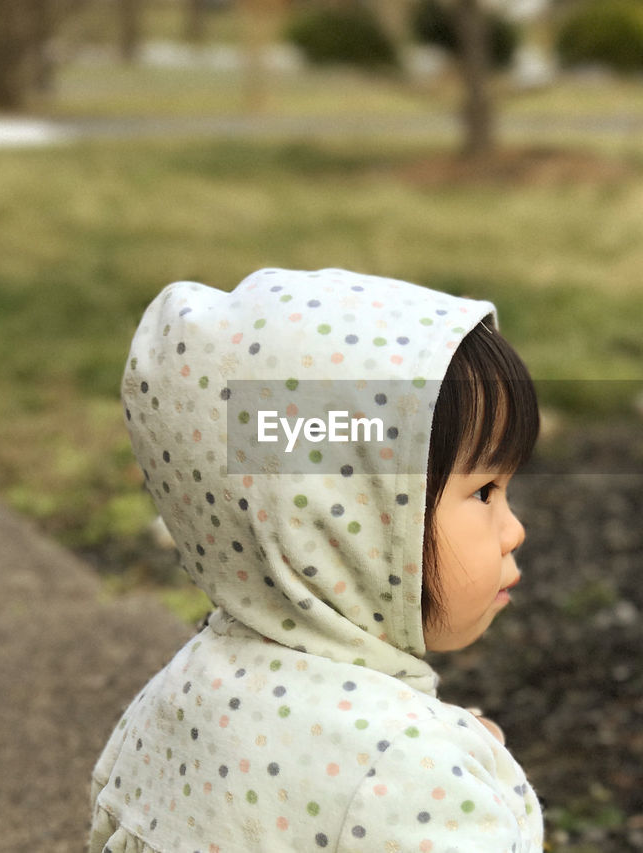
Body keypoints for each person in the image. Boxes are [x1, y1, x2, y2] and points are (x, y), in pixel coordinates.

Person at [89, 268, 544, 852]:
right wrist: (466, 784)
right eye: (484, 492)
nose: (514, 529)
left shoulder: (179, 697)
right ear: (344, 524)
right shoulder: (412, 782)